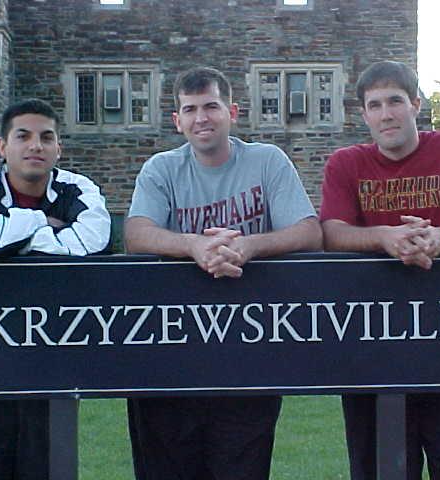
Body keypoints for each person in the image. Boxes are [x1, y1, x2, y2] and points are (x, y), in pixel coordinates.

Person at [124, 66, 322, 480]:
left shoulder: (267, 161)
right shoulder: (161, 169)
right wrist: (194, 246)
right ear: (177, 120)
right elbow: (137, 235)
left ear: (232, 112)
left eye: (211, 106)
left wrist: (248, 247)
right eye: (190, 110)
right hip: (173, 349)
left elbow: (308, 232)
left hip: (249, 347)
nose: (202, 118)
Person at [320, 60, 440, 480]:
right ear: (364, 115)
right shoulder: (346, 164)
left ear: (416, 105)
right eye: (375, 105)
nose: (386, 114)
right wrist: (385, 238)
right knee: (379, 468)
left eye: (395, 101)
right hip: (372, 340)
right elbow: (331, 233)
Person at [0, 98, 111, 479]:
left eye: (46, 137)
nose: (36, 145)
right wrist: (41, 223)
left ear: (58, 148)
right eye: (24, 136)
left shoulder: (78, 190)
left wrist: (4, 243)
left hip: (49, 375)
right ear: (2, 146)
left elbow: (92, 244)